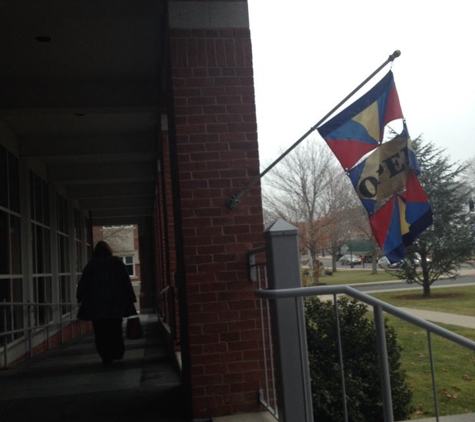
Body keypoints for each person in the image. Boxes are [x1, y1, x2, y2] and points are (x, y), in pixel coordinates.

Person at [76, 240, 137, 365]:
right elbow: (125, 282)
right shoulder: (117, 263)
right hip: (115, 305)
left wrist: (80, 296)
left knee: (100, 332)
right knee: (115, 329)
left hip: (96, 306)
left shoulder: (91, 265)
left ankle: (105, 355)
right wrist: (131, 299)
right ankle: (117, 352)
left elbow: (83, 283)